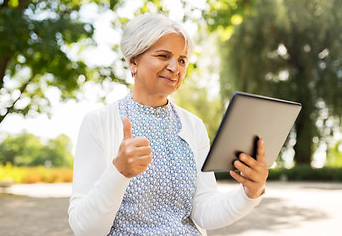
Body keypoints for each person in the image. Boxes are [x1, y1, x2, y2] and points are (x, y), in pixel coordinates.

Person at [68, 13, 269, 236]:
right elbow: (85, 229)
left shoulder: (193, 126)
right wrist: (119, 172)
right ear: (133, 61)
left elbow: (204, 212)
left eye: (182, 60)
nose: (175, 67)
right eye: (164, 56)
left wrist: (250, 193)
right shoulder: (98, 123)